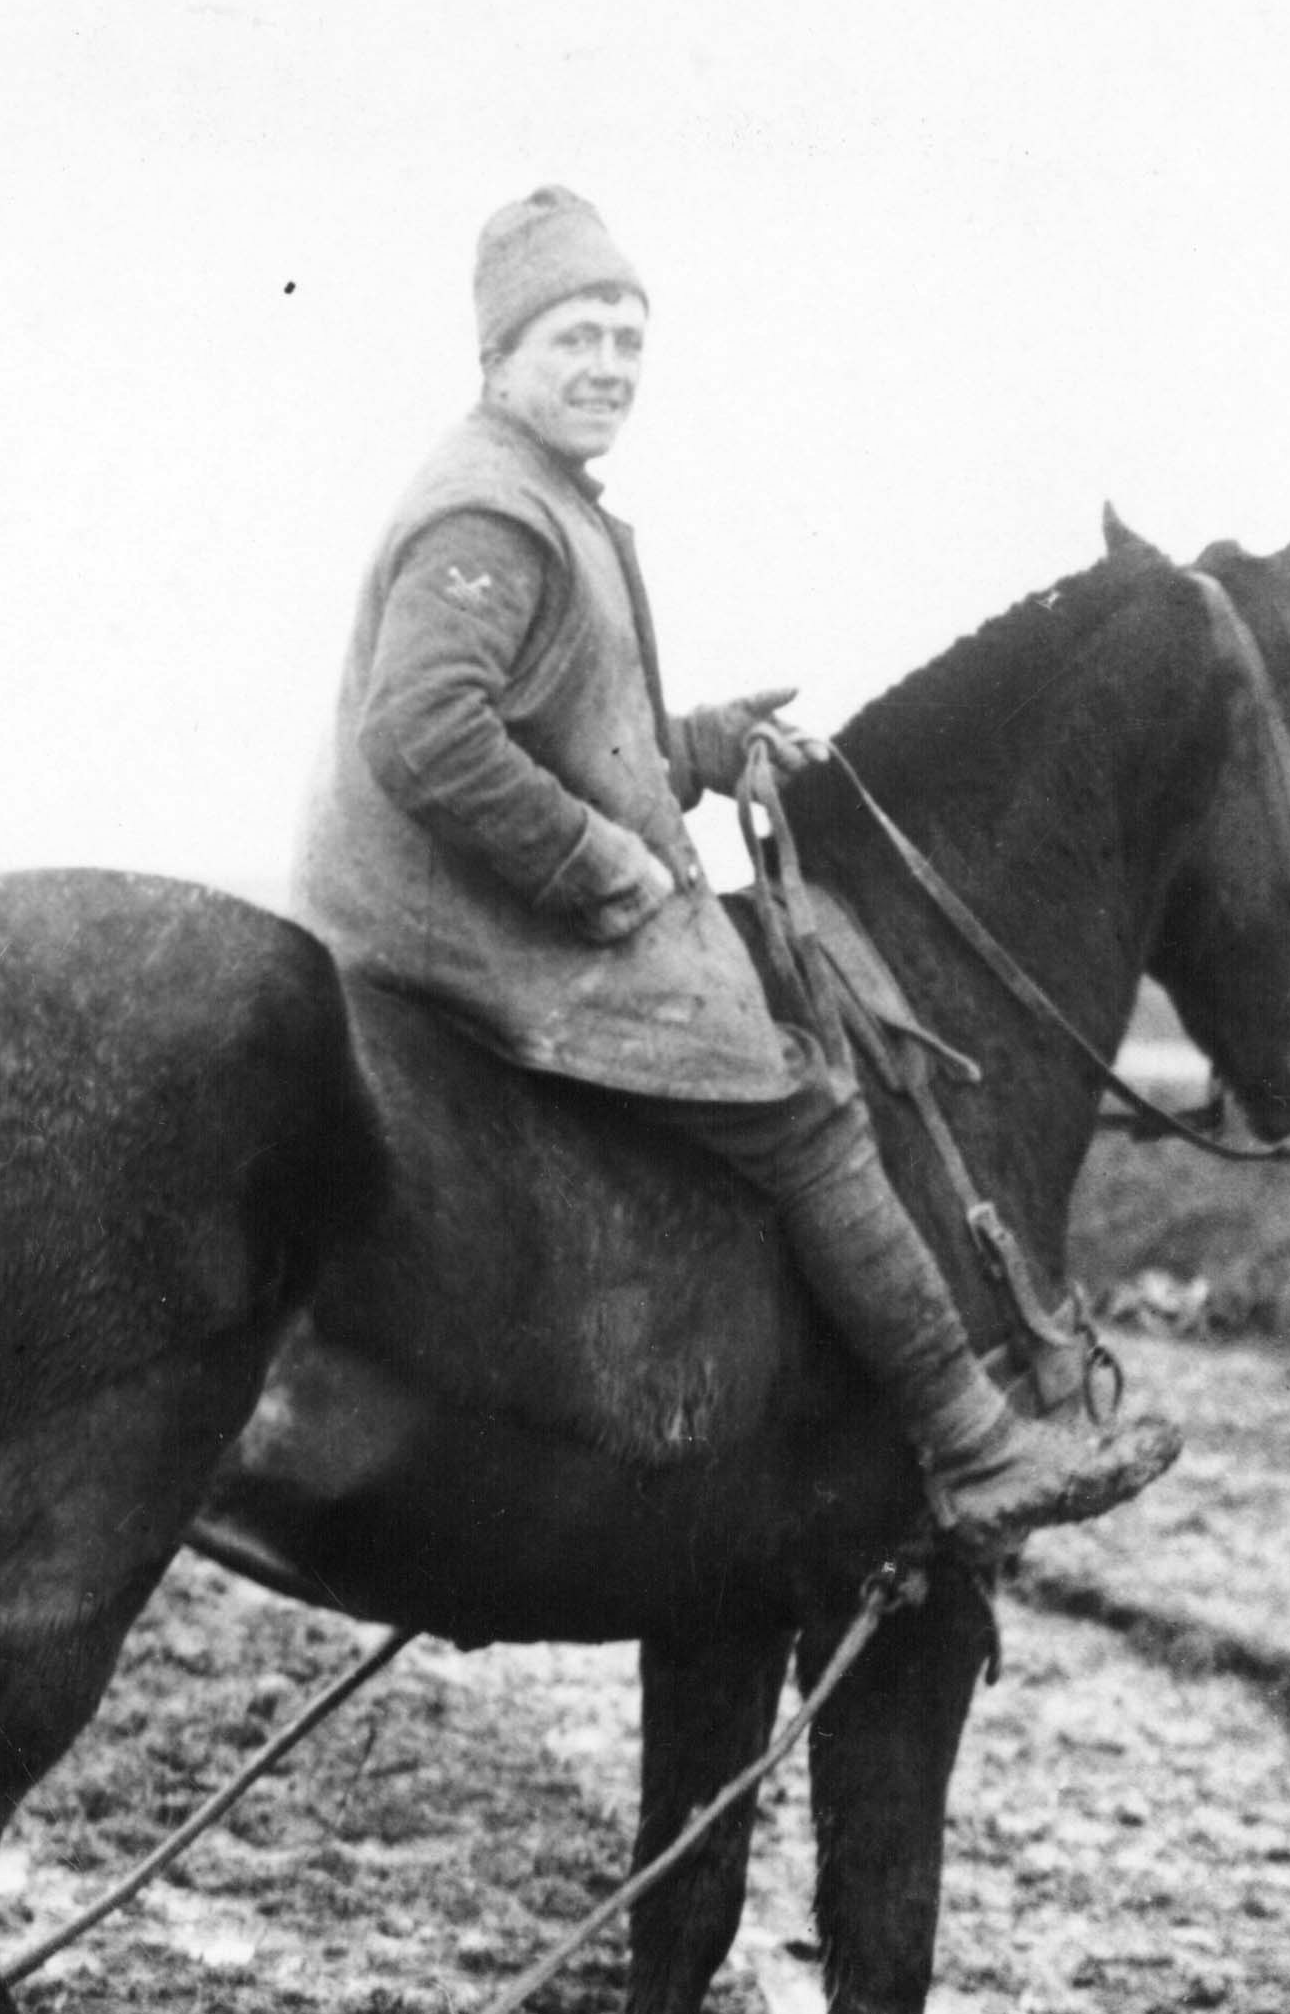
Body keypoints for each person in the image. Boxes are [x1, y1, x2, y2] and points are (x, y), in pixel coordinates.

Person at [288, 186, 1180, 1553]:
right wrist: (596, 866)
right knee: (809, 1108)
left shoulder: (535, 494)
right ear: (499, 356)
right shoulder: (495, 512)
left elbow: (554, 722)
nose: (607, 369)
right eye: (575, 337)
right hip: (466, 924)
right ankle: (969, 1433)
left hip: (471, 900)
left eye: (627, 341)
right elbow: (423, 732)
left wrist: (699, 747)